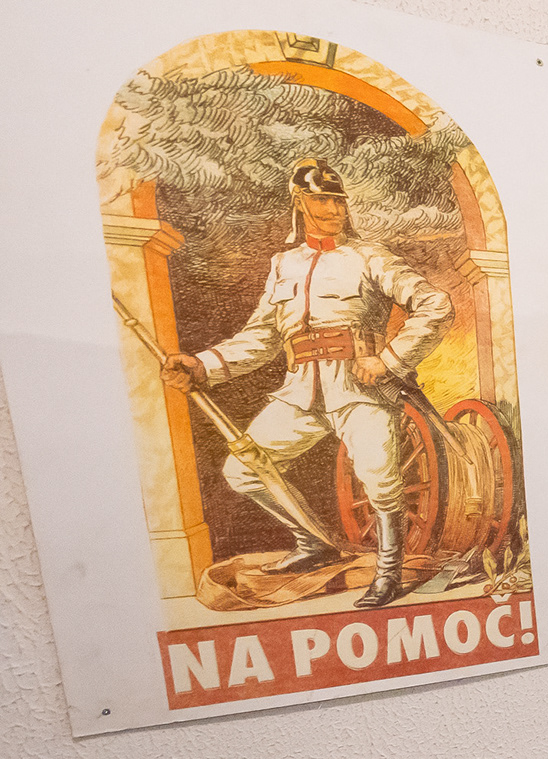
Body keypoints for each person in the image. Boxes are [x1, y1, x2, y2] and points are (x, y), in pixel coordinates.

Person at [161, 157, 452, 609]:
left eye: (338, 200)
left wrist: (389, 360)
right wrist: (201, 365)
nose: (333, 209)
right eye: (322, 200)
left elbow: (436, 304)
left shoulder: (369, 257)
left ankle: (388, 572)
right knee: (243, 470)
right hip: (300, 393)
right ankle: (313, 542)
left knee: (380, 480)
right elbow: (262, 338)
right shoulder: (283, 265)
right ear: (299, 201)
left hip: (361, 390)